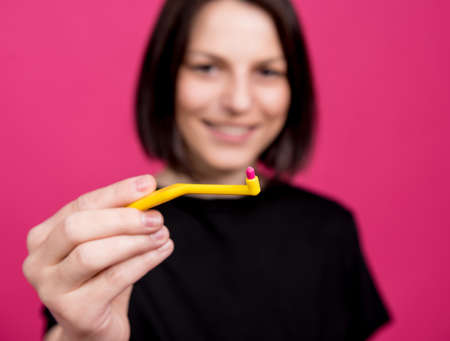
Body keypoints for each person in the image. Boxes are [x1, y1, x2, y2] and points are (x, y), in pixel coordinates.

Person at [23, 0, 390, 340]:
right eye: (207, 67)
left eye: (267, 71)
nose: (239, 102)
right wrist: (84, 336)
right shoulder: (114, 240)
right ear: (166, 76)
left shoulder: (328, 229)